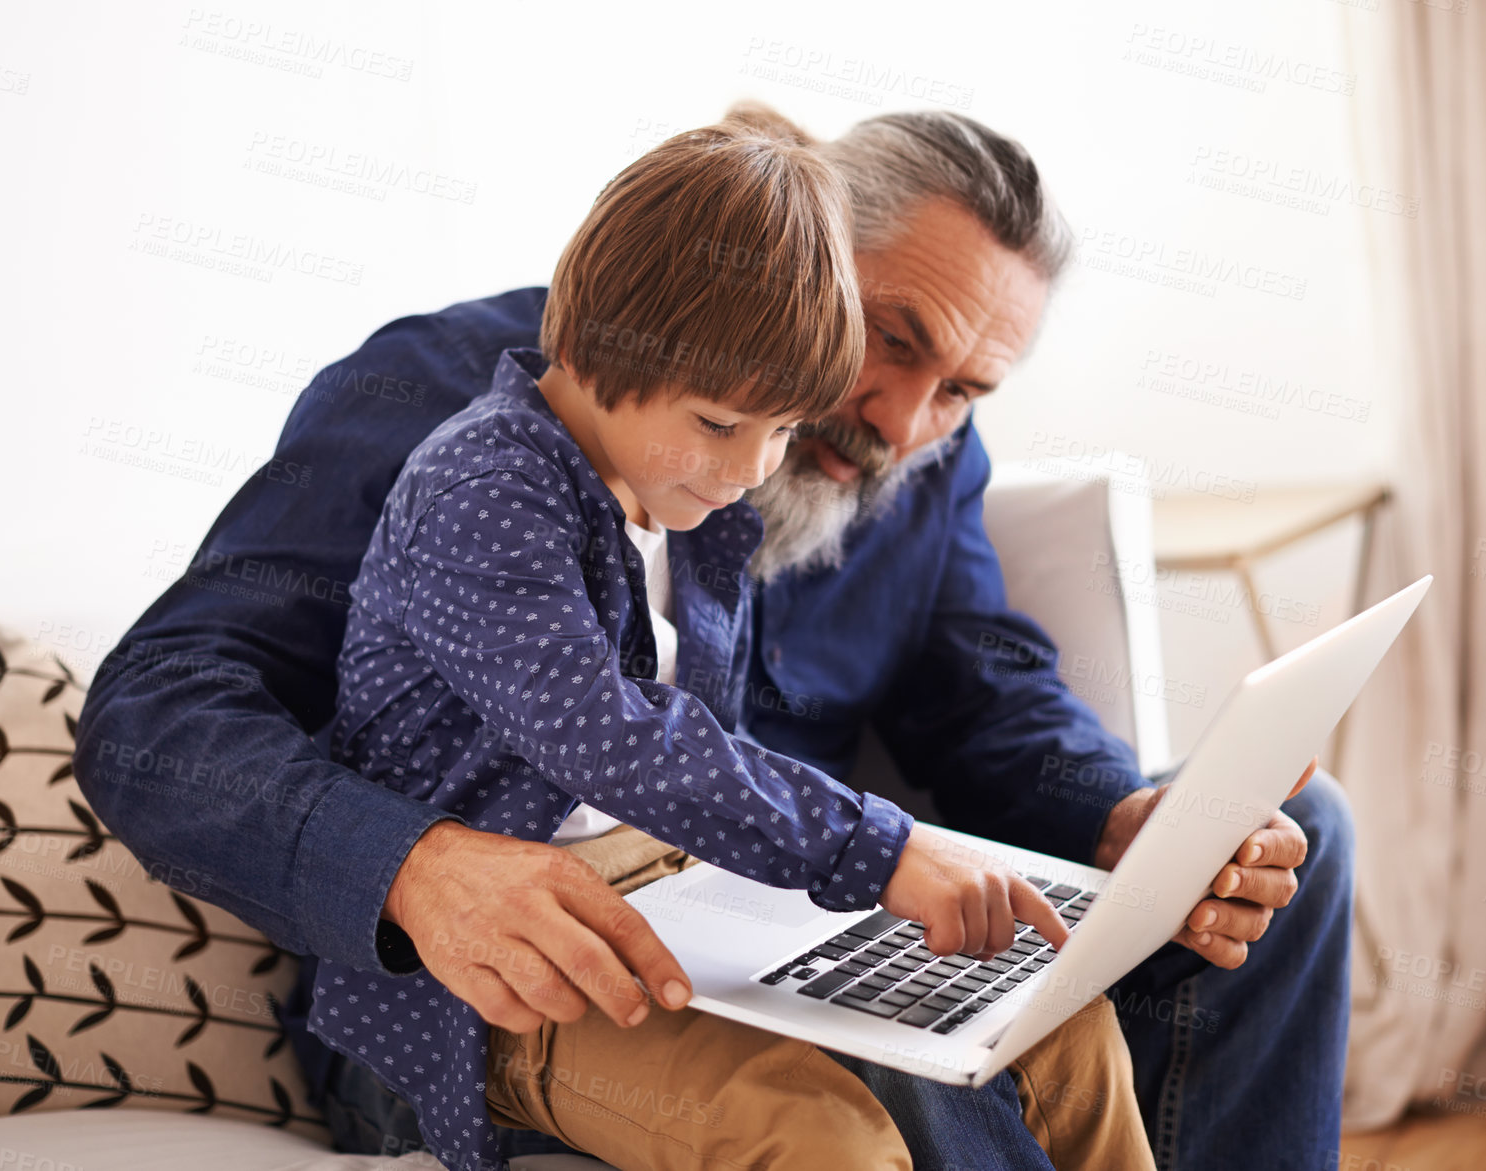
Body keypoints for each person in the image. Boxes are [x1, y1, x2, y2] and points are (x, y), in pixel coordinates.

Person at [76, 104, 1350, 1171]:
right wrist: (413, 864)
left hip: (774, 923)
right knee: (910, 1074)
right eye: (890, 338)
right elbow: (157, 714)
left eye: (962, 391)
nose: (902, 423)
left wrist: (1123, 813)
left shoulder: (885, 465)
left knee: (1301, 840)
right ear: (790, 256)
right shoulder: (447, 409)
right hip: (539, 980)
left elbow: (988, 697)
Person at [309, 115, 1148, 1171]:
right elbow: (612, 739)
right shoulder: (482, 491)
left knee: (1060, 1027)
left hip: (688, 904)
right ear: (596, 337)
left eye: (786, 429)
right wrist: (876, 848)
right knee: (816, 1132)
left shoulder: (704, 508)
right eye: (719, 424)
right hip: (485, 983)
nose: (754, 468)